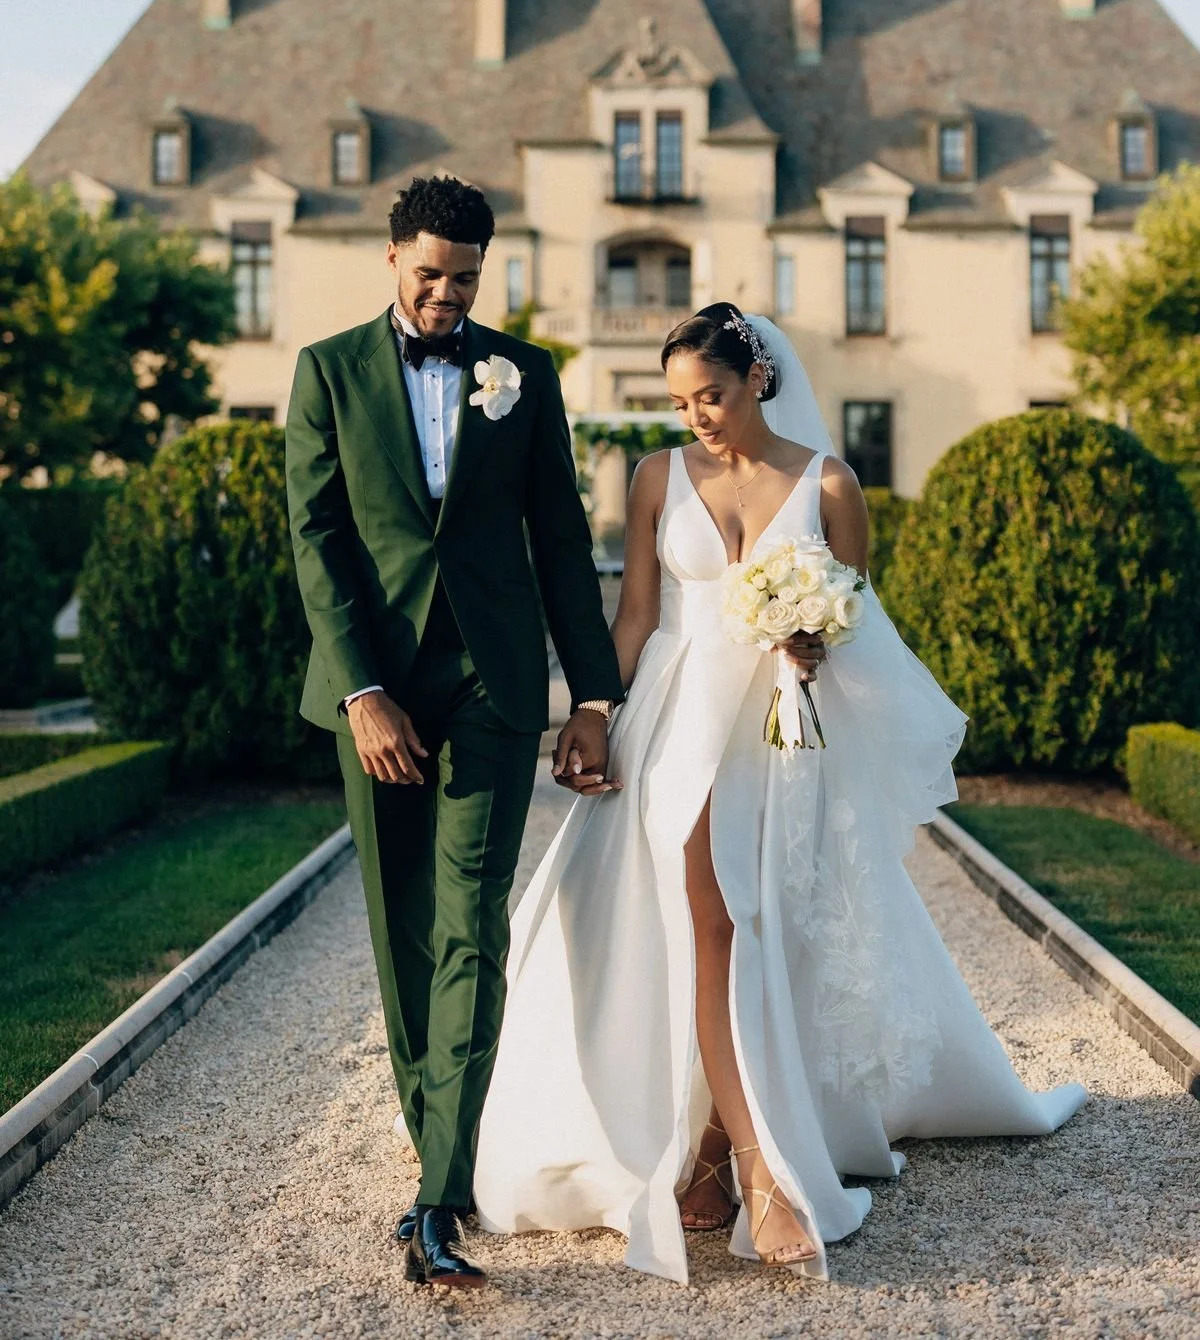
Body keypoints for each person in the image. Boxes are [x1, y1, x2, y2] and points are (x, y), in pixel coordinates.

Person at [472, 302, 1087, 1285]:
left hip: (780, 734)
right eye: (678, 403)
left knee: (747, 930)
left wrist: (812, 640)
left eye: (708, 395)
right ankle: (762, 1177)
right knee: (709, 923)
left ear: (756, 374)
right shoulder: (654, 478)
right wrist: (592, 711)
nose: (695, 417)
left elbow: (855, 631)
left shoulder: (830, 485)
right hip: (674, 720)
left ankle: (715, 1156)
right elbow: (633, 617)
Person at [285, 176, 624, 1289]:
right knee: (404, 934)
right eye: (429, 273)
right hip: (376, 687)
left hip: (492, 681)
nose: (444, 295)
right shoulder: (326, 372)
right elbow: (317, 539)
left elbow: (563, 539)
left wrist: (591, 695)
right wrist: (357, 691)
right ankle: (433, 1146)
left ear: (487, 273)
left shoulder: (525, 374)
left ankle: (440, 1194)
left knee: (473, 920)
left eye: (465, 279)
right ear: (393, 259)